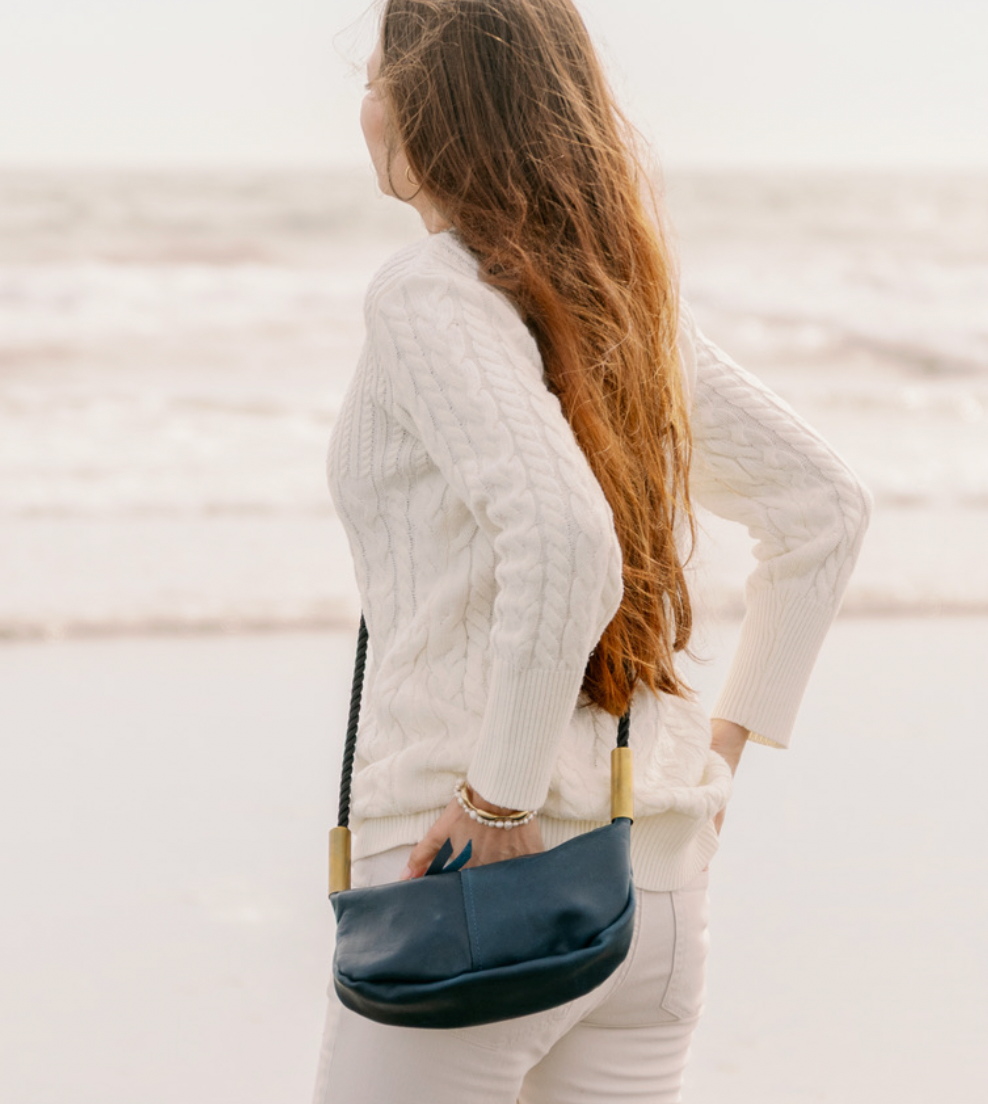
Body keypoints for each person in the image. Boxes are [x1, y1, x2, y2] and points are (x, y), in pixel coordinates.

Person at [315, 1, 871, 1101]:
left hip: (468, 880)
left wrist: (503, 800)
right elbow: (825, 509)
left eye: (375, 74)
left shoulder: (429, 291)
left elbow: (565, 543)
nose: (362, 102)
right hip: (652, 886)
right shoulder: (625, 303)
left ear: (430, 101)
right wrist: (714, 767)